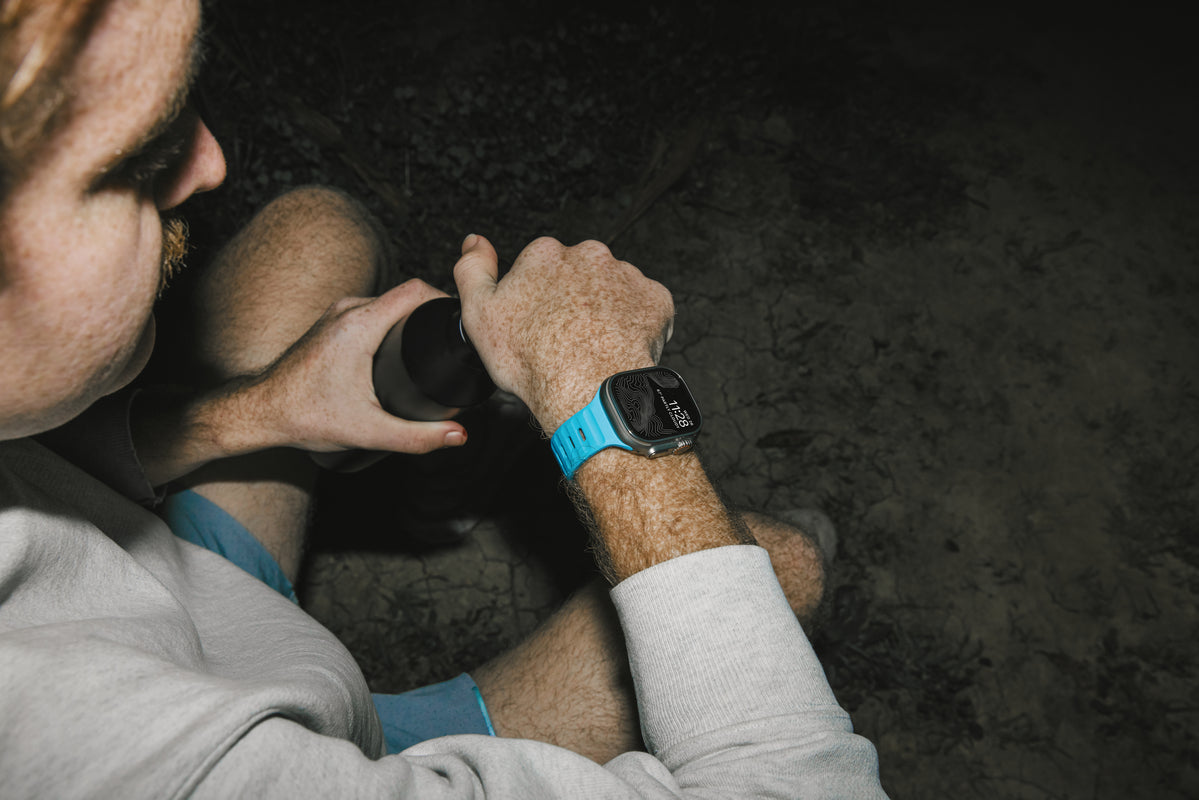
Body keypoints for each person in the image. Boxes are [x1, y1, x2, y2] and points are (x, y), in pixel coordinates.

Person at [0, 0, 888, 796]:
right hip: (329, 755)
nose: (209, 162)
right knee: (785, 565)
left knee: (316, 230)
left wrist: (261, 408)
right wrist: (605, 393)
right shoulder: (132, 768)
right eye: (130, 160)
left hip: (197, 622)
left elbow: (30, 475)